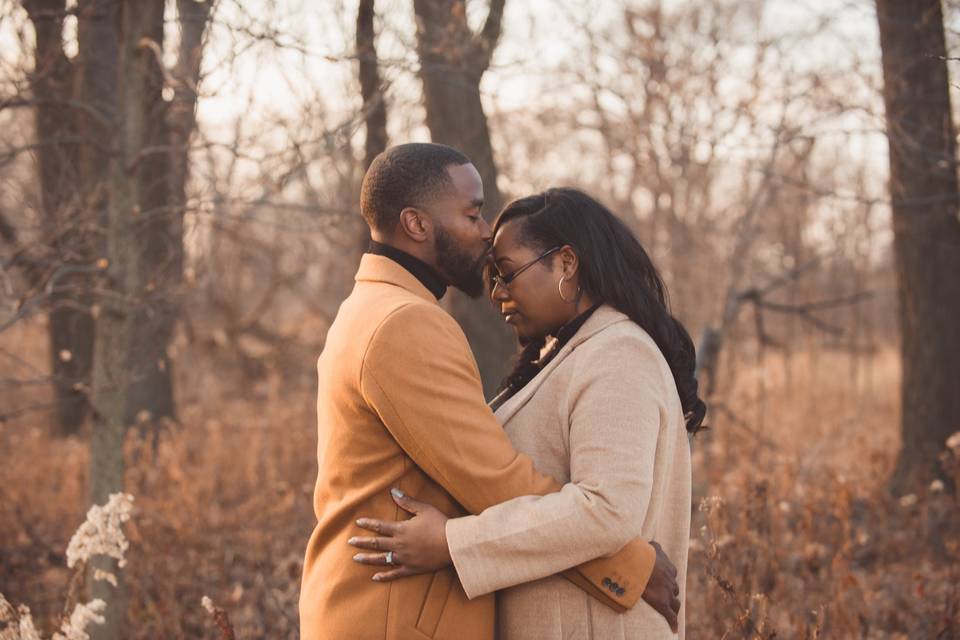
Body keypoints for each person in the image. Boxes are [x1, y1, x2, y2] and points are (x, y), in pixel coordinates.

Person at [299, 145, 681, 640]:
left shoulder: (372, 310)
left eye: (509, 272)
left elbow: (578, 497)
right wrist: (631, 563)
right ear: (417, 224)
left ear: (567, 265)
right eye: (473, 213)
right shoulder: (404, 322)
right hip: (396, 617)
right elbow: (492, 478)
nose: (484, 230)